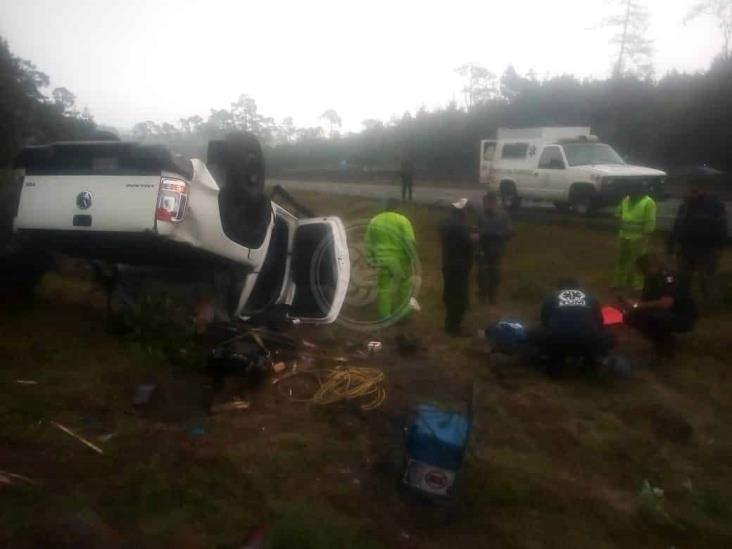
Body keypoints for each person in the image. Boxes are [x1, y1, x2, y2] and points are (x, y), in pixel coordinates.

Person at [624, 253, 697, 364]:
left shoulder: (669, 278)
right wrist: (633, 303)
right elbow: (647, 301)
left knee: (655, 317)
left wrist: (640, 306)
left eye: (643, 270)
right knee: (630, 317)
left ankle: (664, 347)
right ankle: (661, 340)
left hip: (681, 316)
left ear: (652, 266)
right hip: (663, 313)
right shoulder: (650, 279)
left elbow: (665, 303)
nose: (642, 273)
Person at [667, 176, 728, 306]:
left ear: (704, 189)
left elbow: (722, 227)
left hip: (706, 249)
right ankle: (682, 300)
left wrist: (719, 247)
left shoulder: (715, 206)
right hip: (686, 248)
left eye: (696, 188)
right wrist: (671, 244)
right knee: (683, 277)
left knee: (706, 278)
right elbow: (678, 225)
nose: (692, 190)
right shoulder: (685, 206)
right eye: (690, 187)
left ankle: (710, 302)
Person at [532, 279, 615, 373]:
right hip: (588, 341)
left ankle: (554, 359)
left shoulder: (551, 297)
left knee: (533, 334)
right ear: (578, 288)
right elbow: (600, 322)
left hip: (557, 341)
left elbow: (544, 321)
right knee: (610, 336)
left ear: (559, 288)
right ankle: (590, 360)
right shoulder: (590, 297)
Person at [365, 199, 417, 323]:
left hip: (381, 259)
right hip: (400, 260)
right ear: (396, 207)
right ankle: (403, 315)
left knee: (384, 288)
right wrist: (412, 258)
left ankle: (385, 317)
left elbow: (368, 242)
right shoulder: (402, 220)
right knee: (403, 287)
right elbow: (409, 241)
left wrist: (370, 259)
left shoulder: (374, 220)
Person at [613, 184, 657, 292]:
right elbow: (618, 213)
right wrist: (620, 224)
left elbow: (650, 222)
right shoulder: (626, 199)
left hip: (639, 237)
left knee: (638, 262)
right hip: (624, 235)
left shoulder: (648, 202)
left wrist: (645, 236)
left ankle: (637, 285)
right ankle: (619, 282)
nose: (630, 195)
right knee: (621, 260)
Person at [439, 198, 473, 335]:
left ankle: (449, 324)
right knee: (460, 298)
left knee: (449, 295)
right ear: (462, 211)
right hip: (460, 266)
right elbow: (467, 246)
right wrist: (474, 240)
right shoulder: (461, 227)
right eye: (466, 210)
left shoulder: (446, 224)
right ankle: (454, 328)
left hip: (448, 264)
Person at [476, 191, 513, 304]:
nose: (486, 205)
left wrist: (495, 234)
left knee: (495, 274)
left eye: (489, 203)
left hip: (497, 249)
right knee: (481, 274)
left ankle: (492, 296)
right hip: (482, 249)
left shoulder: (503, 216)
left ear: (494, 203)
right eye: (485, 203)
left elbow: (510, 232)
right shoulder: (480, 215)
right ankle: (483, 295)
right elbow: (477, 230)